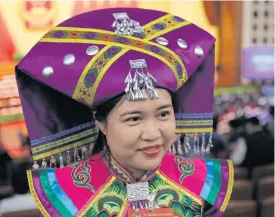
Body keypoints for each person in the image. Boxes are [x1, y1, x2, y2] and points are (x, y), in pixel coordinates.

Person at [16, 8, 234, 216]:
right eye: (134, 118)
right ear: (100, 123)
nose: (152, 133)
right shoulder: (65, 194)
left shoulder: (204, 183)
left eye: (164, 114)